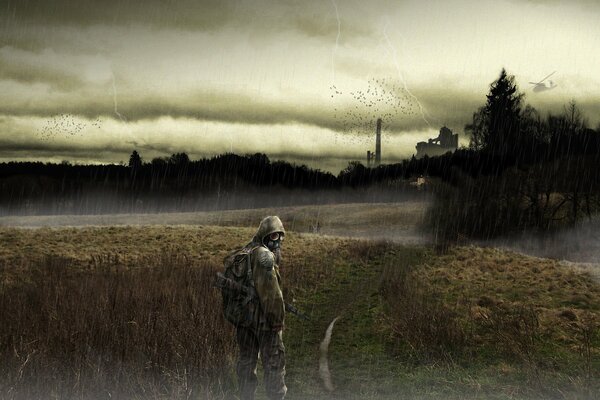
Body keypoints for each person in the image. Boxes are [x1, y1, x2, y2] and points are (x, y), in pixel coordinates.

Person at [235, 216, 287, 400]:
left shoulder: (246, 251)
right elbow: (272, 295)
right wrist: (277, 321)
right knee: (274, 364)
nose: (278, 241)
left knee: (246, 363)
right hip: (263, 322)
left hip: (243, 321)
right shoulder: (264, 256)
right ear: (264, 236)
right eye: (273, 236)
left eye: (281, 236)